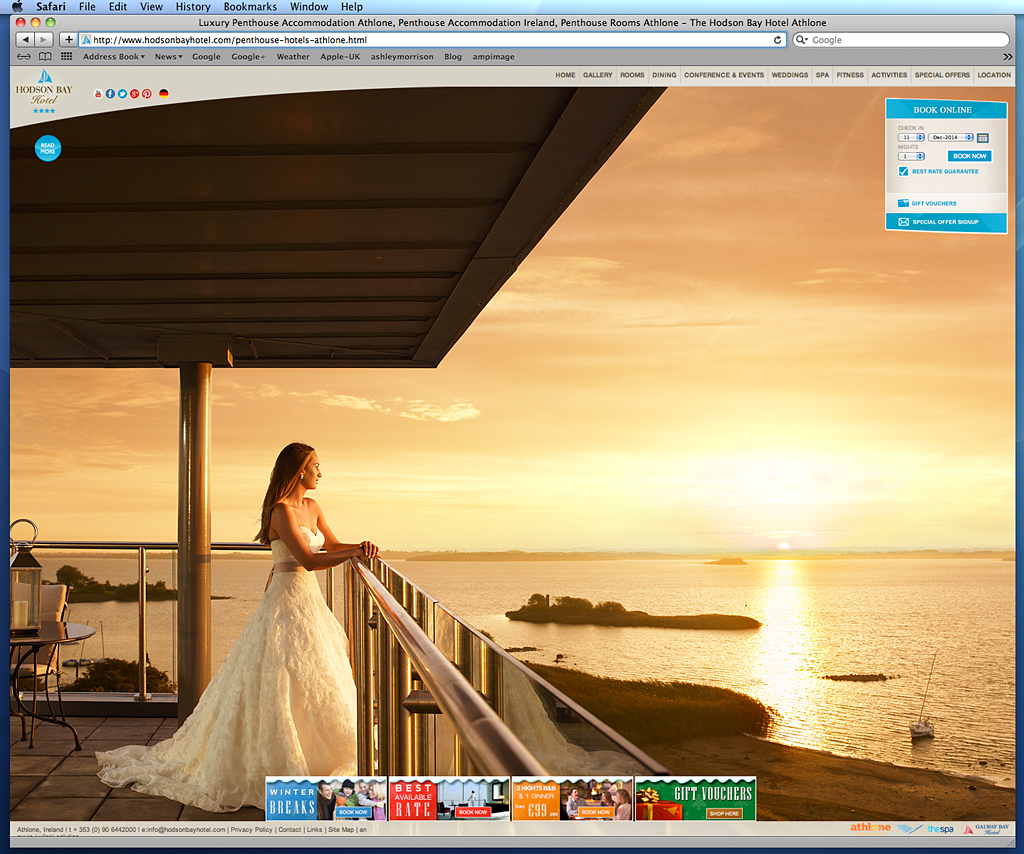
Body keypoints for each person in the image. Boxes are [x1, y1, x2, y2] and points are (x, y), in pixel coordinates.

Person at [95, 442, 380, 812]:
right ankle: (283, 763)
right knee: (280, 677)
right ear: (299, 470)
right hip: (285, 600)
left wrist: (362, 545)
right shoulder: (281, 512)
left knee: (317, 678)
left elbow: (335, 545)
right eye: (316, 466)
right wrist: (354, 554)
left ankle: (321, 761)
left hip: (311, 603)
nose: (320, 472)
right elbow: (309, 559)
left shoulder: (313, 507)